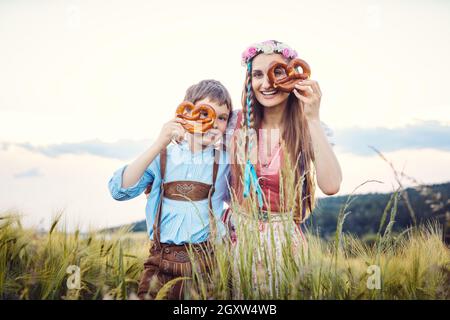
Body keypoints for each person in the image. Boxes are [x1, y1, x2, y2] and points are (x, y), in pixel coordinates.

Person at [227, 40, 342, 297]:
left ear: (293, 76)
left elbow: (332, 185)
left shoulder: (308, 127)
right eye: (257, 74)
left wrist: (312, 117)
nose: (267, 83)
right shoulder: (234, 124)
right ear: (249, 80)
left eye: (277, 72)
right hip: (236, 241)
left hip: (283, 246)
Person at [108, 79, 233, 299]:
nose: (213, 123)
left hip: (207, 266)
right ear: (186, 113)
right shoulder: (162, 157)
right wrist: (158, 144)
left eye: (222, 117)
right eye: (205, 113)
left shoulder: (225, 162)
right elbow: (119, 190)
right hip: (159, 265)